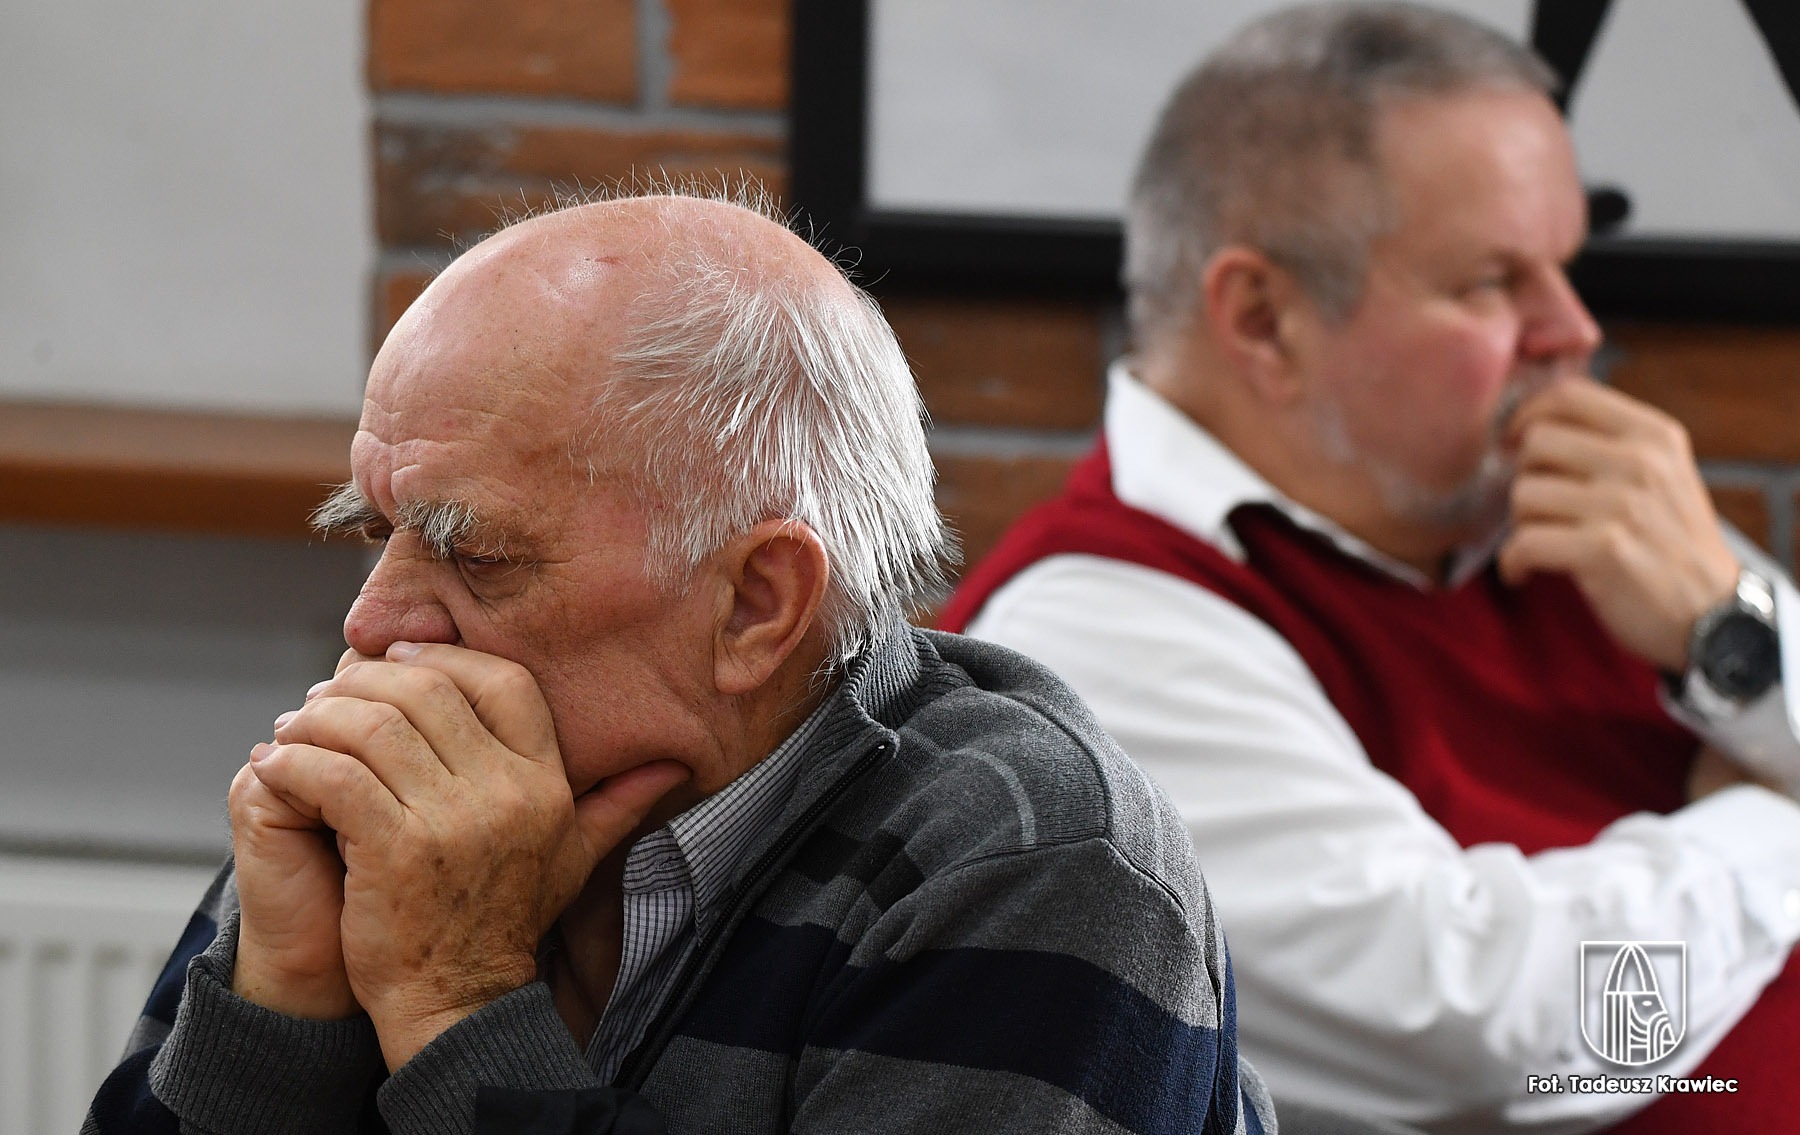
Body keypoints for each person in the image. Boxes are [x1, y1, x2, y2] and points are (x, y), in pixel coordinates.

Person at [84, 191, 1275, 1135]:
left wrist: (457, 1001)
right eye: (375, 531)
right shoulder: (400, 794)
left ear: (756, 604)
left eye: (477, 555)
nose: (373, 621)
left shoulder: (1028, 857)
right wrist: (284, 1003)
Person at [940, 4, 1800, 1133]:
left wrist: (1728, 636)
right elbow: (1481, 1033)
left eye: (1566, 268)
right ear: (1264, 321)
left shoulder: (1583, 512)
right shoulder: (1089, 631)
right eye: (1493, 281)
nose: (1574, 329)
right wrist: (1772, 820)